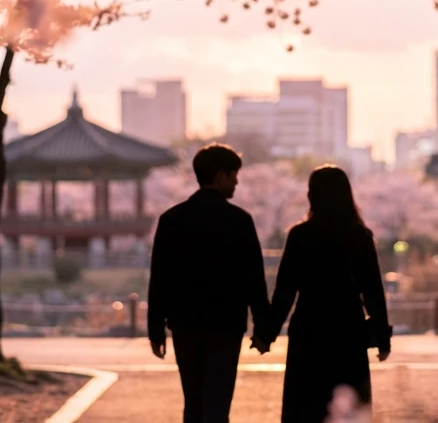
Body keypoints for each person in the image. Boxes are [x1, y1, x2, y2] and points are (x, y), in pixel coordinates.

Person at [147, 143, 271, 423]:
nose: (237, 181)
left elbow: (160, 278)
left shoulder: (172, 219)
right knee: (218, 401)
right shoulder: (239, 221)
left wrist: (155, 329)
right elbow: (254, 279)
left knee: (193, 401)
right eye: (233, 175)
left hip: (184, 322)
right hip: (226, 324)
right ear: (219, 176)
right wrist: (263, 328)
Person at [257, 165, 391, 423]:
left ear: (312, 196)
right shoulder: (359, 236)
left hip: (309, 329)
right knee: (348, 404)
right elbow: (373, 290)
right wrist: (382, 337)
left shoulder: (300, 236)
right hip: (348, 330)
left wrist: (266, 334)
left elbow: (285, 291)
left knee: (306, 405)